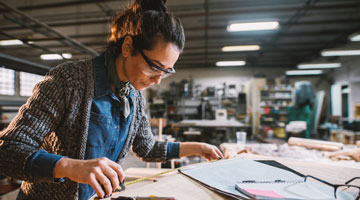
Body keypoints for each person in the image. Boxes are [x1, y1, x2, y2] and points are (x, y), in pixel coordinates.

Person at [0, 0, 224, 199]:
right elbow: (7, 150)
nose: (158, 81)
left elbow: (147, 148)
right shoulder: (68, 81)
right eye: (154, 68)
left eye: (166, 72)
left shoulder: (134, 96)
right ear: (127, 47)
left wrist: (197, 147)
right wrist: (69, 167)